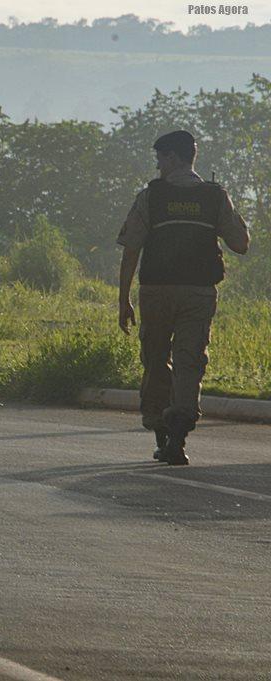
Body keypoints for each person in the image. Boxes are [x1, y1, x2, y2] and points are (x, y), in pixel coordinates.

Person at [116, 130, 250, 465]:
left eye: (160, 158)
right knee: (189, 363)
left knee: (156, 358)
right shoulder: (215, 196)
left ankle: (161, 431)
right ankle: (178, 437)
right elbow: (241, 244)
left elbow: (131, 249)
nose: (158, 165)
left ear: (173, 157)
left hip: (156, 292)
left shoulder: (151, 196)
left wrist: (123, 300)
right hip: (198, 293)